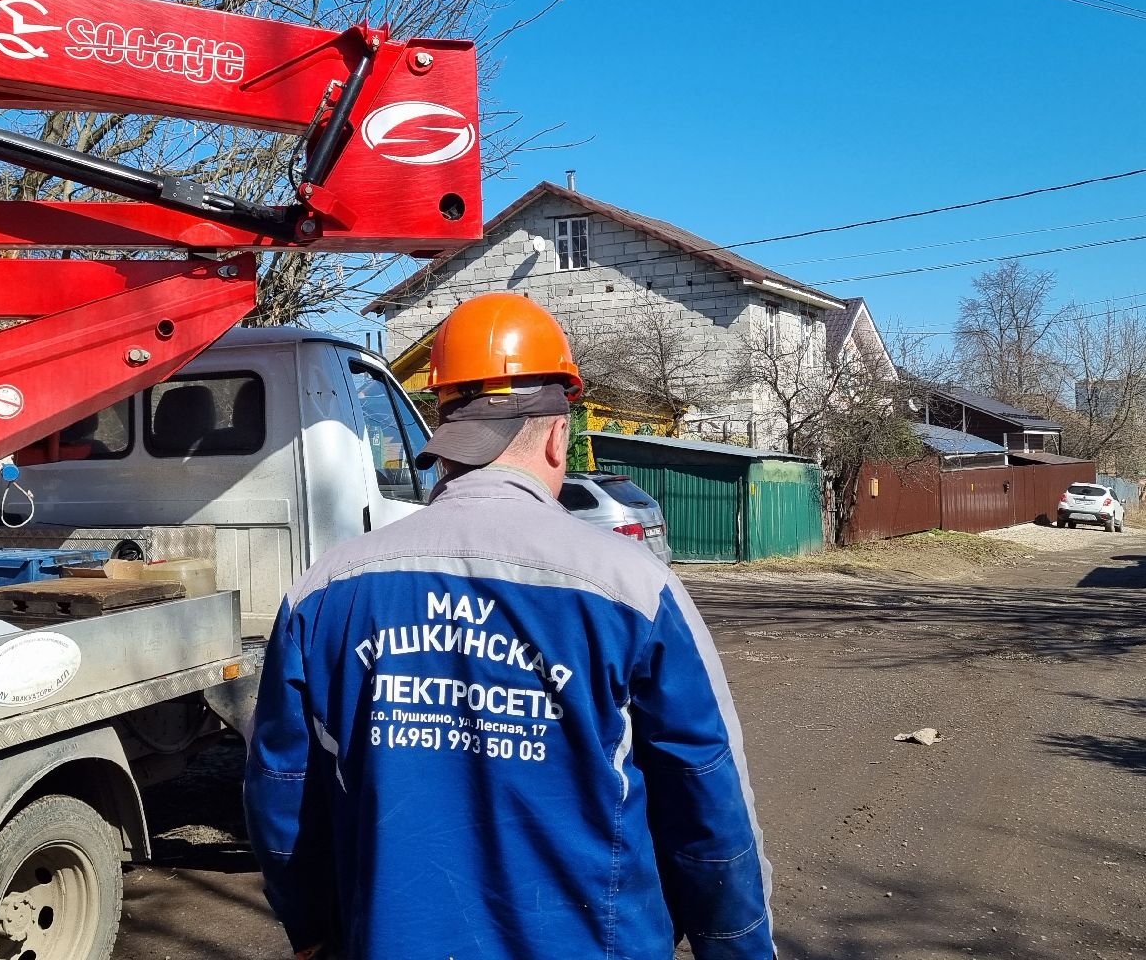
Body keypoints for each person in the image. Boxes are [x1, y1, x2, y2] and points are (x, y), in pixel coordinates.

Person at [245, 293, 773, 959]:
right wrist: (738, 946)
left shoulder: (323, 592)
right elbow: (707, 801)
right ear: (559, 433)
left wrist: (313, 929)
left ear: (444, 427)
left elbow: (282, 794)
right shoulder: (633, 588)